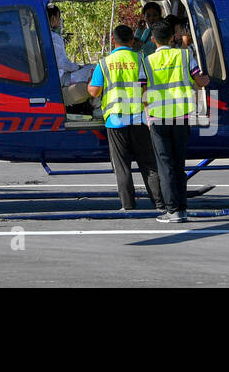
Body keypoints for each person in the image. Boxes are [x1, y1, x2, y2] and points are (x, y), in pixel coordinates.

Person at [88, 25, 166, 211]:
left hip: (116, 120)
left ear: (114, 41)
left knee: (122, 166)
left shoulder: (104, 62)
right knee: (148, 164)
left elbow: (94, 90)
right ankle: (160, 203)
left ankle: (128, 206)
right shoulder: (140, 59)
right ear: (132, 40)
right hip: (139, 118)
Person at [142, 18, 209, 224]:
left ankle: (172, 211)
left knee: (165, 165)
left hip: (158, 118)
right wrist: (207, 79)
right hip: (181, 117)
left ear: (153, 40)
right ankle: (182, 208)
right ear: (172, 37)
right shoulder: (185, 55)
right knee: (179, 164)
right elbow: (200, 80)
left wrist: (147, 114)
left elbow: (142, 90)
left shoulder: (147, 61)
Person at [48, 5, 93, 88]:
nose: (60, 21)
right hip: (60, 78)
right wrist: (77, 67)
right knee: (93, 70)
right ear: (53, 18)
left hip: (53, 77)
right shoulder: (54, 38)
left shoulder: (42, 36)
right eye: (59, 17)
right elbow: (62, 64)